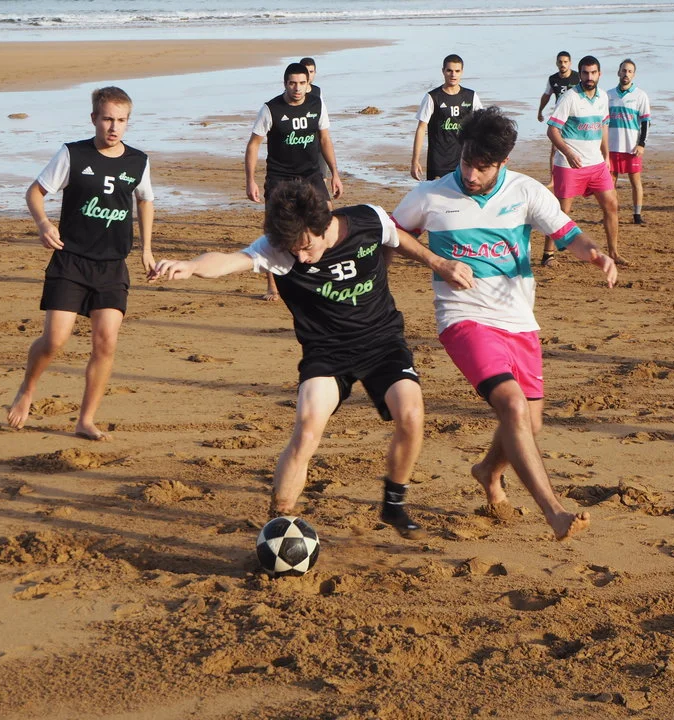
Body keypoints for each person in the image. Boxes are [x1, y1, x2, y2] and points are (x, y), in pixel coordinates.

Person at [152, 180, 472, 539]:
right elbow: (230, 260)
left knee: (411, 416)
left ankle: (393, 505)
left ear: (325, 225)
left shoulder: (368, 219)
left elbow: (394, 237)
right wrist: (191, 265)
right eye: (294, 250)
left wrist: (437, 262)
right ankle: (278, 521)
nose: (301, 258)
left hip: (382, 342)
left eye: (306, 247)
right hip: (326, 351)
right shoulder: (280, 249)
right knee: (306, 430)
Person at [392, 107, 617, 541]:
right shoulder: (431, 195)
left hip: (519, 321)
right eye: (466, 162)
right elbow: (392, 233)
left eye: (482, 167)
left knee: (530, 423)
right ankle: (554, 511)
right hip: (463, 319)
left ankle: (488, 472)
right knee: (512, 406)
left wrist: (596, 255)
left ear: (503, 162)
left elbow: (569, 234)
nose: (471, 174)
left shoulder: (525, 192)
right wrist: (436, 261)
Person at [7, 86, 155, 441]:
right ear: (94, 119)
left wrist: (147, 249)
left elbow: (145, 200)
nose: (113, 127)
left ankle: (85, 420)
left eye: (121, 120)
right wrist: (44, 224)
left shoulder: (138, 161)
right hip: (70, 262)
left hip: (112, 265)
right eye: (107, 119)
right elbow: (34, 192)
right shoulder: (72, 154)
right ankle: (27, 388)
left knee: (106, 343)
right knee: (54, 340)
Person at [246, 62, 343, 302]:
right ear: (285, 84)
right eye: (292, 83)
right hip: (279, 176)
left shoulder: (317, 104)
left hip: (310, 174)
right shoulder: (270, 109)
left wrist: (335, 173)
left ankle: (323, 270)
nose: (297, 88)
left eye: (301, 83)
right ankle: (272, 285)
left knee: (327, 216)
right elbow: (253, 145)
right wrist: (250, 180)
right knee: (274, 228)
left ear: (308, 83)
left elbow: (325, 139)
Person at [546, 55, 624, 265]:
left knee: (612, 205)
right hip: (569, 165)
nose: (589, 77)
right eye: (585, 73)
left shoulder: (603, 97)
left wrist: (606, 156)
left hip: (596, 165)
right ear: (579, 74)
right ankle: (548, 254)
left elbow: (603, 126)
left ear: (599, 74)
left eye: (593, 73)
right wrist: (568, 153)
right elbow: (552, 130)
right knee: (562, 211)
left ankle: (614, 253)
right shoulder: (569, 97)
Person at [411, 54, 483, 181]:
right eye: (449, 70)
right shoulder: (432, 97)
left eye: (457, 71)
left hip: (464, 160)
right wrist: (415, 161)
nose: (453, 75)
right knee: (437, 193)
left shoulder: (471, 96)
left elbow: (482, 126)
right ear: (443, 71)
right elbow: (421, 128)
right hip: (438, 161)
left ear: (462, 72)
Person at [608, 59, 651, 225]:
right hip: (612, 146)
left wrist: (642, 144)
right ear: (618, 72)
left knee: (635, 182)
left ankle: (637, 215)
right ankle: (612, 213)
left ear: (634, 75)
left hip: (632, 147)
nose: (626, 74)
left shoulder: (640, 95)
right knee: (610, 183)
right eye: (624, 70)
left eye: (630, 71)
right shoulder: (608, 95)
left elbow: (646, 122)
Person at [536, 51, 580, 188]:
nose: (563, 64)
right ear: (556, 63)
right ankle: (553, 179)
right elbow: (546, 95)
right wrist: (540, 111)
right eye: (560, 62)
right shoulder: (553, 79)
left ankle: (578, 175)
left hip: (576, 116)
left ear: (570, 63)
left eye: (565, 62)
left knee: (578, 145)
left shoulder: (578, 77)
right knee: (555, 148)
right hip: (560, 117)